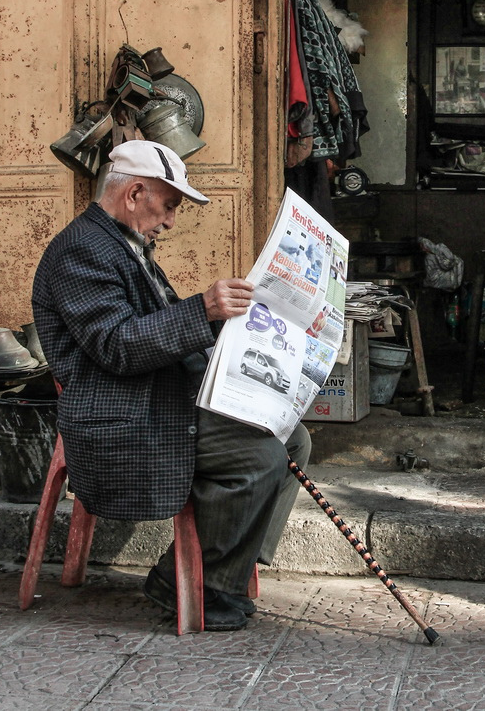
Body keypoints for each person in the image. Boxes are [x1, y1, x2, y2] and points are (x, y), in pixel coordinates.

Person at [32, 140, 311, 631]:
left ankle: (226, 569)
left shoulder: (122, 243)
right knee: (262, 455)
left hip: (153, 397)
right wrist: (203, 309)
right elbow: (117, 345)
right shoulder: (82, 250)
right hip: (119, 416)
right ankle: (192, 583)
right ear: (135, 192)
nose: (171, 221)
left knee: (293, 434)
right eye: (169, 205)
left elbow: (160, 331)